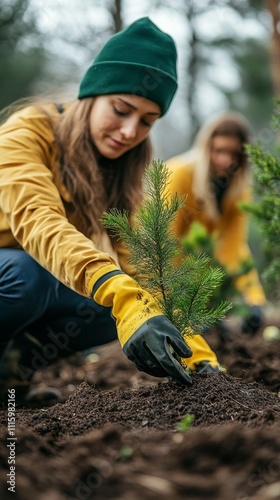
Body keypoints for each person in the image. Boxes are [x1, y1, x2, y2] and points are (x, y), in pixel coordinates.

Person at [0, 17, 221, 405]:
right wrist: (118, 292)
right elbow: (39, 222)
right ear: (92, 94)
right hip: (18, 272)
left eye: (146, 122)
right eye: (121, 109)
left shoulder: (121, 172)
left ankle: (9, 374)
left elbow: (139, 266)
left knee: (107, 310)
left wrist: (200, 357)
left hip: (32, 279)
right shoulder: (26, 133)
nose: (129, 131)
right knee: (29, 276)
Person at [165, 112, 266, 344]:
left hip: (201, 286)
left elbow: (233, 247)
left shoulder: (238, 189)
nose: (225, 160)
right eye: (218, 150)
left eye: (233, 153)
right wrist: (180, 307)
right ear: (205, 148)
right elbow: (164, 246)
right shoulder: (179, 174)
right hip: (173, 284)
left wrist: (254, 300)